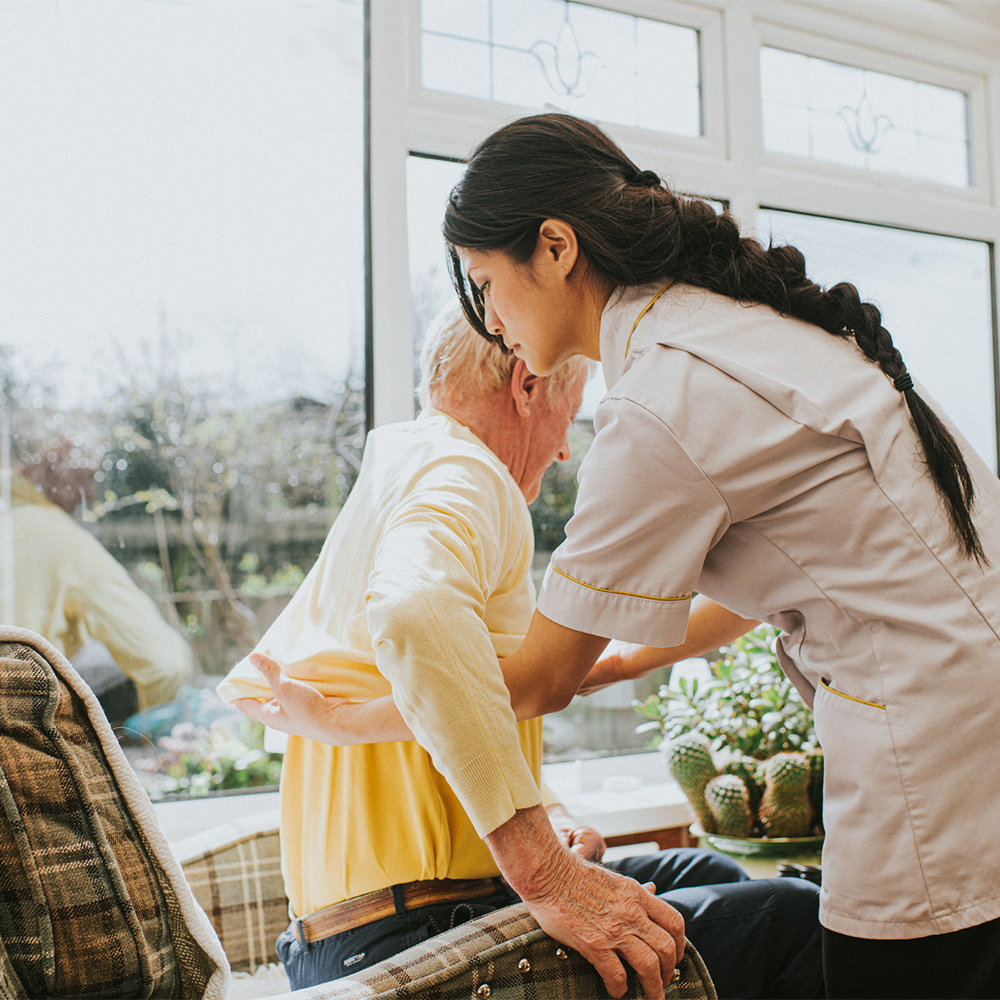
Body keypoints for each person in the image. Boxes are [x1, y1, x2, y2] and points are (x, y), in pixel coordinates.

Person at [247, 112, 1000, 999]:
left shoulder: (660, 400)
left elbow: (533, 678)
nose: (491, 318)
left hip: (933, 743)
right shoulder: (726, 334)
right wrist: (590, 667)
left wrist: (335, 717)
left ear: (556, 248)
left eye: (488, 282)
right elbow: (739, 604)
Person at [221, 305, 822, 1000]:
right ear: (526, 384)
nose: (567, 448)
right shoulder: (466, 474)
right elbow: (415, 612)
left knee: (711, 876)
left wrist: (549, 810)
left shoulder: (407, 468)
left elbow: (543, 673)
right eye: (573, 410)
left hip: (351, 936)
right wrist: (546, 871)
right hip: (413, 938)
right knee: (796, 916)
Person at [4, 466, 193, 711]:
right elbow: (167, 665)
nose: (91, 493)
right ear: (52, 466)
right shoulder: (61, 539)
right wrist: (149, 732)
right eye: (86, 476)